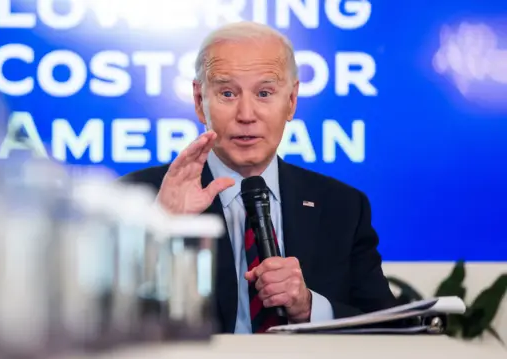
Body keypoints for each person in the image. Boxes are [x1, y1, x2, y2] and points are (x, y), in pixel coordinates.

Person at [120, 21, 398, 334]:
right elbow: (97, 321)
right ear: (200, 101)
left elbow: (386, 327)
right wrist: (161, 228)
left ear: (291, 101)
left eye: (264, 93)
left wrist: (308, 306)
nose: (246, 114)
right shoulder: (138, 196)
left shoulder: (343, 206)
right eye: (227, 93)